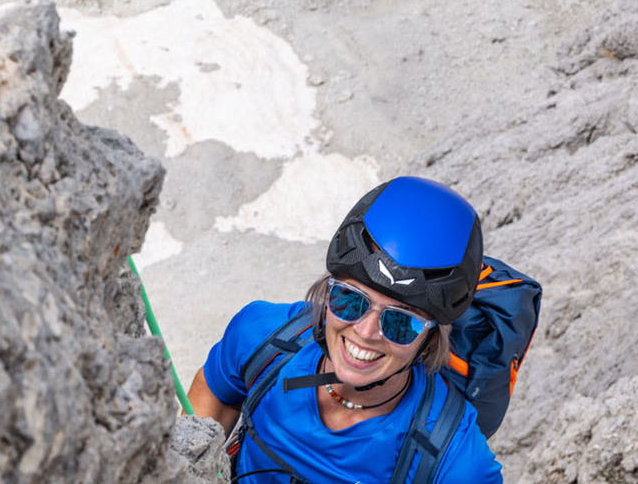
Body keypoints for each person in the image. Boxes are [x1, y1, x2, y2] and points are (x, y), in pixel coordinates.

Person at [188, 176, 503, 482]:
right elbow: (216, 396)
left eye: (400, 322)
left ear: (430, 340)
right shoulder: (262, 338)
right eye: (350, 301)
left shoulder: (456, 462)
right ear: (327, 291)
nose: (366, 332)